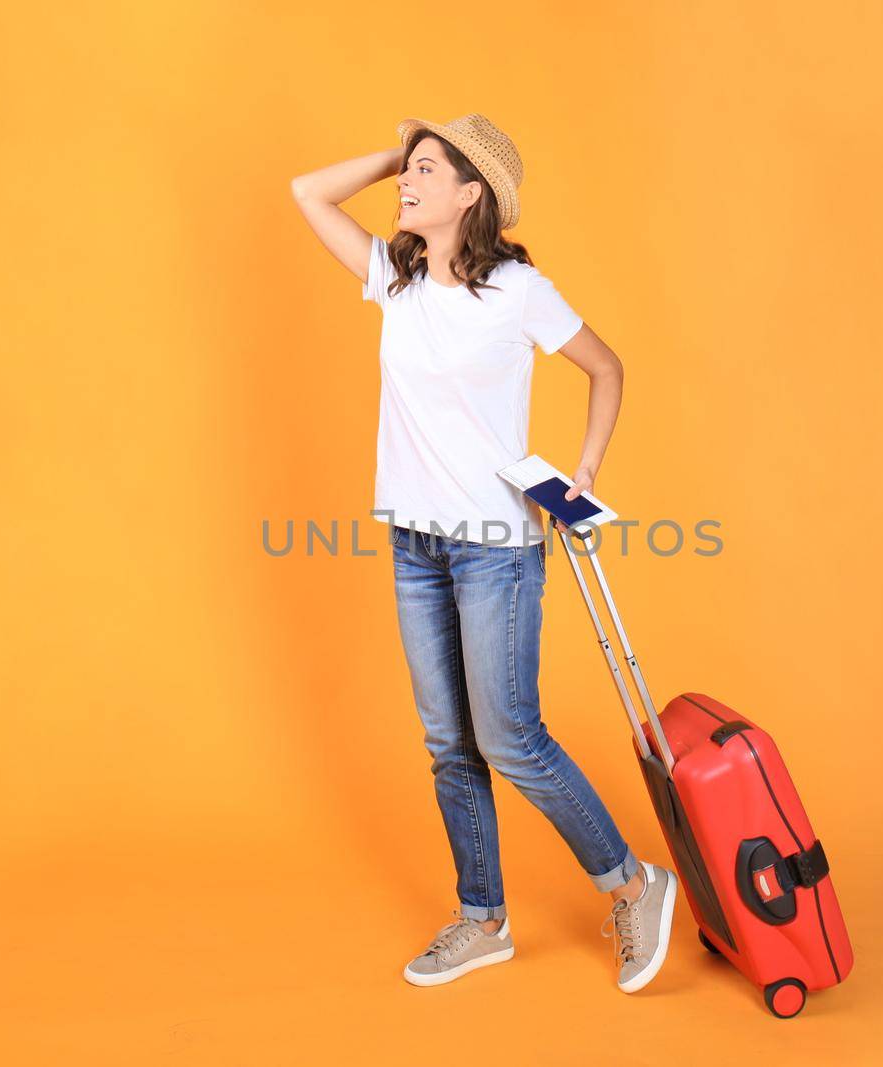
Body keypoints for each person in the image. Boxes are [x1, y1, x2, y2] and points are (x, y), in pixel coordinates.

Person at [289, 113, 677, 993]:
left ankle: (632, 880)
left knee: (509, 735)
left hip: (495, 546)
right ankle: (482, 918)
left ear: (474, 194)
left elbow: (606, 367)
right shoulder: (395, 281)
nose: (404, 184)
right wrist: (402, 146)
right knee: (447, 742)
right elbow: (306, 192)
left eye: (426, 171)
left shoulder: (518, 292)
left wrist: (580, 474)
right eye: (405, 172)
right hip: (416, 543)